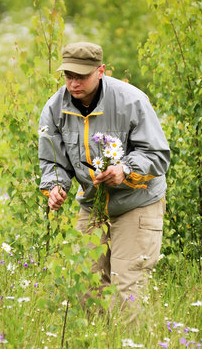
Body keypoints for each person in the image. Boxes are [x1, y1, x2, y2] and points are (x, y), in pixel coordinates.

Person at [38, 42, 170, 321]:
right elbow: (53, 161)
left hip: (137, 202)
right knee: (85, 286)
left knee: (127, 290)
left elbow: (158, 155)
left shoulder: (131, 101)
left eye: (81, 76)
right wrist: (56, 186)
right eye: (68, 76)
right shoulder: (54, 108)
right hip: (93, 205)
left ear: (101, 71)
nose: (73, 83)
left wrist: (126, 169)